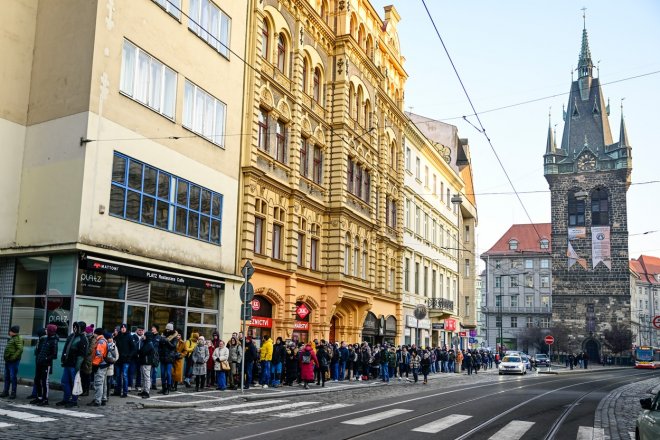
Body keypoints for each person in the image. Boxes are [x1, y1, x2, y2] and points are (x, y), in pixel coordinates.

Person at [57, 321, 88, 407]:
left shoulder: (82, 339)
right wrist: (63, 359)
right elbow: (66, 348)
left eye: (76, 327)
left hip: (74, 365)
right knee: (64, 381)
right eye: (74, 327)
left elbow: (81, 355)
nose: (74, 329)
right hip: (68, 363)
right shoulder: (72, 336)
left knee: (75, 383)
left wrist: (78, 367)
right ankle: (66, 398)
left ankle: (74, 400)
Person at [31, 324, 58, 405]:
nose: (45, 330)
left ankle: (45, 399)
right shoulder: (46, 339)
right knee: (37, 380)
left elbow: (54, 355)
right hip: (40, 362)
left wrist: (45, 359)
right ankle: (39, 397)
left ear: (50, 331)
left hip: (46, 364)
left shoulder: (54, 341)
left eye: (47, 329)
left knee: (44, 381)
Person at [1, 325, 24, 399]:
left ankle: (13, 393)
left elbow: (20, 349)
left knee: (13, 377)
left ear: (14, 332)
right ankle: (5, 391)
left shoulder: (18, 339)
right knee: (7, 376)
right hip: (8, 361)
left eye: (10, 331)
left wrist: (13, 357)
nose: (9, 332)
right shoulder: (13, 338)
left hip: (13, 361)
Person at [114, 323, 136, 398]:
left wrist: (129, 356)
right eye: (122, 327)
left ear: (126, 328)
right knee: (117, 376)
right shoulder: (118, 336)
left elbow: (133, 348)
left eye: (124, 327)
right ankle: (117, 391)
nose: (123, 328)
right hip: (118, 359)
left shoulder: (129, 336)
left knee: (125, 375)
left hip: (126, 360)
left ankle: (125, 392)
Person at [88, 328, 108, 407]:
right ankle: (103, 398)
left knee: (98, 383)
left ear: (97, 333)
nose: (93, 334)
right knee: (103, 383)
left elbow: (99, 355)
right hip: (103, 364)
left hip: (100, 365)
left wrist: (95, 364)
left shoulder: (100, 341)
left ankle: (97, 400)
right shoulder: (104, 340)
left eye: (94, 333)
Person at [136, 325, 156, 399]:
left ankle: (147, 392)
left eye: (145, 335)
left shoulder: (149, 344)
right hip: (143, 362)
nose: (143, 336)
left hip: (147, 363)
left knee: (147, 378)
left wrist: (139, 351)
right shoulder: (146, 343)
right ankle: (144, 390)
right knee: (144, 377)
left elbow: (142, 352)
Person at [158, 323, 178, 395]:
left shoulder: (174, 337)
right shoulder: (163, 335)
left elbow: (173, 346)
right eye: (166, 329)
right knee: (162, 373)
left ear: (172, 329)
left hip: (169, 357)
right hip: (163, 357)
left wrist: (167, 341)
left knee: (168, 373)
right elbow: (159, 346)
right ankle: (163, 388)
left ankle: (168, 388)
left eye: (169, 329)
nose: (167, 330)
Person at [104, 332, 118, 405]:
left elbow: (117, 356)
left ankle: (107, 395)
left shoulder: (113, 346)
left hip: (110, 367)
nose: (110, 339)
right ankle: (104, 395)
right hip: (105, 366)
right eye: (109, 338)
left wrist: (113, 361)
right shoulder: (105, 345)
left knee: (108, 382)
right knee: (105, 382)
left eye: (111, 338)